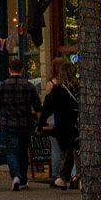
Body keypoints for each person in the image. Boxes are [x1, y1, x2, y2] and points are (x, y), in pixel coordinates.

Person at [0, 56, 41, 191]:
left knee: (11, 152)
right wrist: (40, 124)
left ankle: (16, 176)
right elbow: (38, 108)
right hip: (25, 124)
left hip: (8, 124)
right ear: (22, 70)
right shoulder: (29, 86)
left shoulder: (2, 86)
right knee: (23, 152)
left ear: (9, 70)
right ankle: (23, 179)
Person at [39, 59, 80, 190]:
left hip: (63, 125)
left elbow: (46, 108)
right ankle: (77, 176)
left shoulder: (57, 90)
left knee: (67, 150)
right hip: (78, 124)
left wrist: (41, 124)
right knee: (77, 150)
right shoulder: (79, 88)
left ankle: (64, 177)